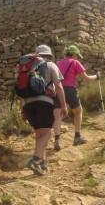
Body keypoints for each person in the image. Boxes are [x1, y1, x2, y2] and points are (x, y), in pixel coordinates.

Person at [21, 44, 68, 175]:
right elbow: (58, 86)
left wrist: (23, 110)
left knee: (40, 134)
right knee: (47, 134)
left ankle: (43, 164)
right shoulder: (51, 65)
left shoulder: (27, 67)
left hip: (28, 104)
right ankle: (35, 160)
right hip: (44, 102)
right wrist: (63, 105)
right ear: (49, 55)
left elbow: (23, 90)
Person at [56, 45, 99, 147]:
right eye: (77, 55)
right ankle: (77, 137)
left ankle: (57, 140)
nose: (78, 57)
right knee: (78, 111)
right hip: (70, 89)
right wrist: (96, 76)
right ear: (74, 54)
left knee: (58, 114)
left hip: (58, 89)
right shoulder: (75, 62)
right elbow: (86, 78)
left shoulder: (58, 63)